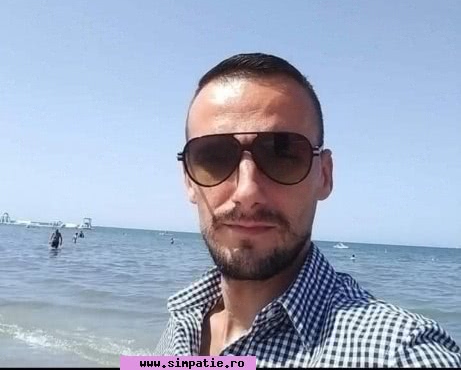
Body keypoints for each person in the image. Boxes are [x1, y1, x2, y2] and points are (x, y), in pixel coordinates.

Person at [154, 53, 461, 366]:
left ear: (324, 176)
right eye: (214, 157)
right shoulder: (182, 325)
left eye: (282, 155)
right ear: (189, 180)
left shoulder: (399, 353)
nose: (247, 192)